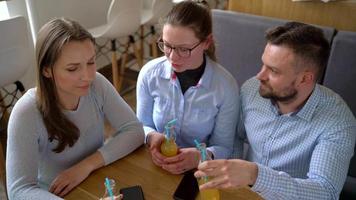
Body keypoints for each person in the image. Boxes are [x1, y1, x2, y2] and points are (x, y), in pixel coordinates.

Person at [194, 22, 356, 199]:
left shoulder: (338, 122)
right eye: (264, 64)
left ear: (305, 79)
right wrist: (229, 177)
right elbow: (236, 136)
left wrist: (255, 175)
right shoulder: (252, 90)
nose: (260, 76)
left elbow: (325, 192)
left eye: (273, 70)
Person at [6, 18, 144, 200]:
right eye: (72, 69)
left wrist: (85, 166)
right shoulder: (26, 112)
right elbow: (19, 190)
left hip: (95, 179)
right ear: (47, 70)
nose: (87, 76)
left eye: (91, 62)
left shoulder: (97, 84)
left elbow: (134, 130)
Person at [136, 0, 239, 174]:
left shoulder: (225, 87)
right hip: (156, 165)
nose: (173, 57)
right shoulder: (149, 74)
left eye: (184, 49)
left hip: (201, 172)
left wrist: (201, 155)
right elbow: (141, 125)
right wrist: (151, 136)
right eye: (167, 45)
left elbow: (225, 147)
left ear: (207, 42)